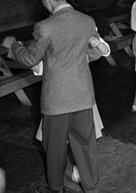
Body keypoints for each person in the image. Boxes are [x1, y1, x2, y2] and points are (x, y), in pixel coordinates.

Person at [2, 0, 103, 193]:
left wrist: (13, 45)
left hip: (56, 98)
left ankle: (57, 190)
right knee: (86, 145)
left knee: (55, 147)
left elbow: (28, 58)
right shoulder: (87, 21)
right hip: (83, 94)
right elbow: (95, 54)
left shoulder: (44, 27)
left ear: (46, 0)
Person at [33, 35, 110, 183]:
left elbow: (105, 50)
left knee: (65, 139)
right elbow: (104, 50)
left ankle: (65, 180)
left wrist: (18, 50)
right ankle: (83, 180)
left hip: (64, 98)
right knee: (74, 139)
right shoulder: (73, 31)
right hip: (75, 97)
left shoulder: (79, 31)